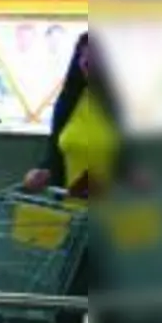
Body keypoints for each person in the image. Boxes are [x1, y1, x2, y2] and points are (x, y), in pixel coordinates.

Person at [22, 31, 129, 200]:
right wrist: (39, 174)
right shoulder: (67, 102)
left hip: (119, 213)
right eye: (86, 62)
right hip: (72, 214)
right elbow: (55, 155)